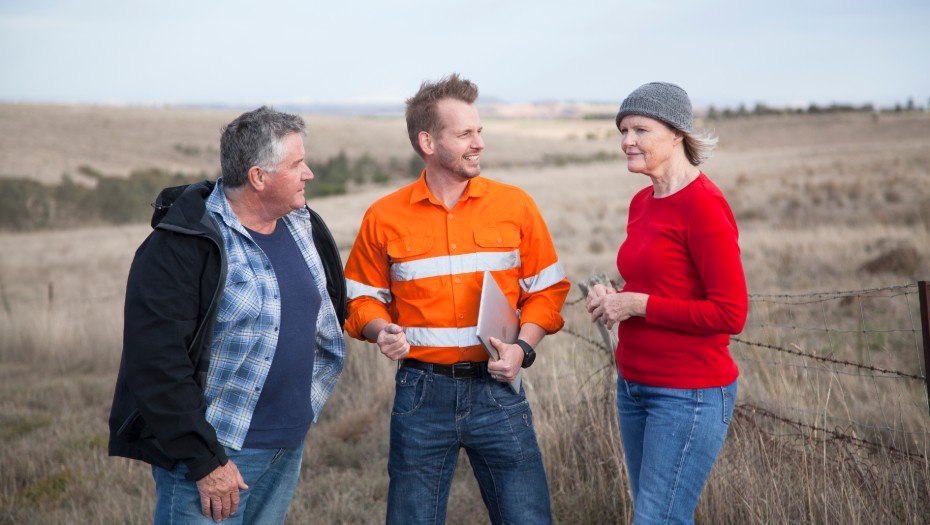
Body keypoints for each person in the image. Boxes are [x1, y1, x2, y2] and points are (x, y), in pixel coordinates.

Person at [343, 73, 570, 525]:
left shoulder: (516, 206)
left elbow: (548, 291)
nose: (479, 143)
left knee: (527, 518)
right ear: (428, 141)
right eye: (465, 133)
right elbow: (360, 301)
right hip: (421, 394)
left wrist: (523, 348)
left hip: (499, 390)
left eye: (479, 131)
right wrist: (379, 329)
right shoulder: (384, 216)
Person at [108, 106, 347, 524]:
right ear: (259, 177)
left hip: (286, 446)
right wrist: (205, 461)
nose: (308, 173)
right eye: (297, 164)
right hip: (217, 458)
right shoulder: (182, 245)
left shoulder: (301, 224)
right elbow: (157, 365)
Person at [585, 82, 748, 525]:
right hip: (633, 385)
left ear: (677, 133)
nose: (626, 141)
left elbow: (731, 314)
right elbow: (657, 282)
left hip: (687, 394)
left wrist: (637, 305)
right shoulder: (642, 202)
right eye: (622, 129)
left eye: (640, 129)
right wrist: (614, 297)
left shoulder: (705, 207)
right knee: (659, 516)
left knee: (657, 520)